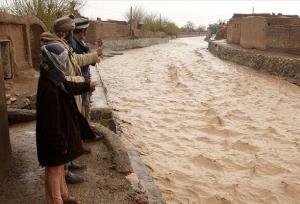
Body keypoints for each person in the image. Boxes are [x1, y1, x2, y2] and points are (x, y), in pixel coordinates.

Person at [41, 16, 102, 184]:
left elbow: (73, 61)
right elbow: (64, 78)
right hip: (67, 93)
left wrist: (92, 57)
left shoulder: (61, 44)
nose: (75, 34)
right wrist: (85, 84)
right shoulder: (56, 49)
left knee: (71, 128)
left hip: (71, 90)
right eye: (72, 31)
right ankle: (65, 170)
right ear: (67, 32)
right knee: (64, 132)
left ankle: (69, 163)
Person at [36, 42, 97, 204]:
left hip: (57, 136)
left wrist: (86, 86)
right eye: (61, 59)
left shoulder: (52, 76)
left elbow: (67, 85)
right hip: (53, 139)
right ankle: (56, 200)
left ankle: (63, 196)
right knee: (54, 170)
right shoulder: (48, 87)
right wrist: (60, 143)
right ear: (53, 61)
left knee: (59, 167)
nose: (64, 62)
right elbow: (51, 122)